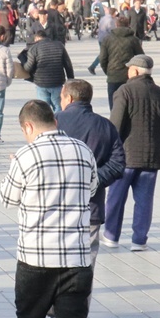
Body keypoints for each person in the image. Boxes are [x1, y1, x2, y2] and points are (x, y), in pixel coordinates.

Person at [0, 100, 98, 318]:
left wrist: (17, 167)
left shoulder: (26, 156)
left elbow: (8, 198)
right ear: (54, 119)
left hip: (36, 257)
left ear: (28, 127)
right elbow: (92, 188)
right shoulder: (82, 150)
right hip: (77, 256)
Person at [103, 55, 160, 250]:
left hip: (126, 156)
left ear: (134, 71)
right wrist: (157, 143)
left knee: (116, 197)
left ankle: (111, 236)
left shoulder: (124, 92)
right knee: (144, 200)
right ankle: (139, 240)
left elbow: (115, 125)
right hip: (151, 157)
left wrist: (112, 151)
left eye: (128, 68)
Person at [56, 79, 125, 268]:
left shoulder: (53, 123)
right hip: (91, 208)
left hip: (56, 207)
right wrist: (93, 181)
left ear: (69, 98)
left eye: (61, 97)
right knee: (85, 265)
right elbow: (118, 163)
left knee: (56, 265)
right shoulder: (105, 126)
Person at [18, 27, 73, 112]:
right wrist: (70, 80)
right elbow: (68, 64)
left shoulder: (34, 48)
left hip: (41, 83)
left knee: (44, 108)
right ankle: (58, 123)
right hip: (57, 82)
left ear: (36, 38)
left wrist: (23, 63)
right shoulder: (59, 45)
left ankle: (47, 123)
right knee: (58, 106)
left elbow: (28, 68)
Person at [97, 13, 143, 109]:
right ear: (128, 25)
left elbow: (102, 59)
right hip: (130, 77)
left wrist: (108, 71)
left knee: (114, 105)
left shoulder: (107, 39)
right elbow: (141, 58)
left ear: (116, 25)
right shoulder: (133, 40)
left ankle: (115, 122)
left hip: (113, 76)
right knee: (130, 104)